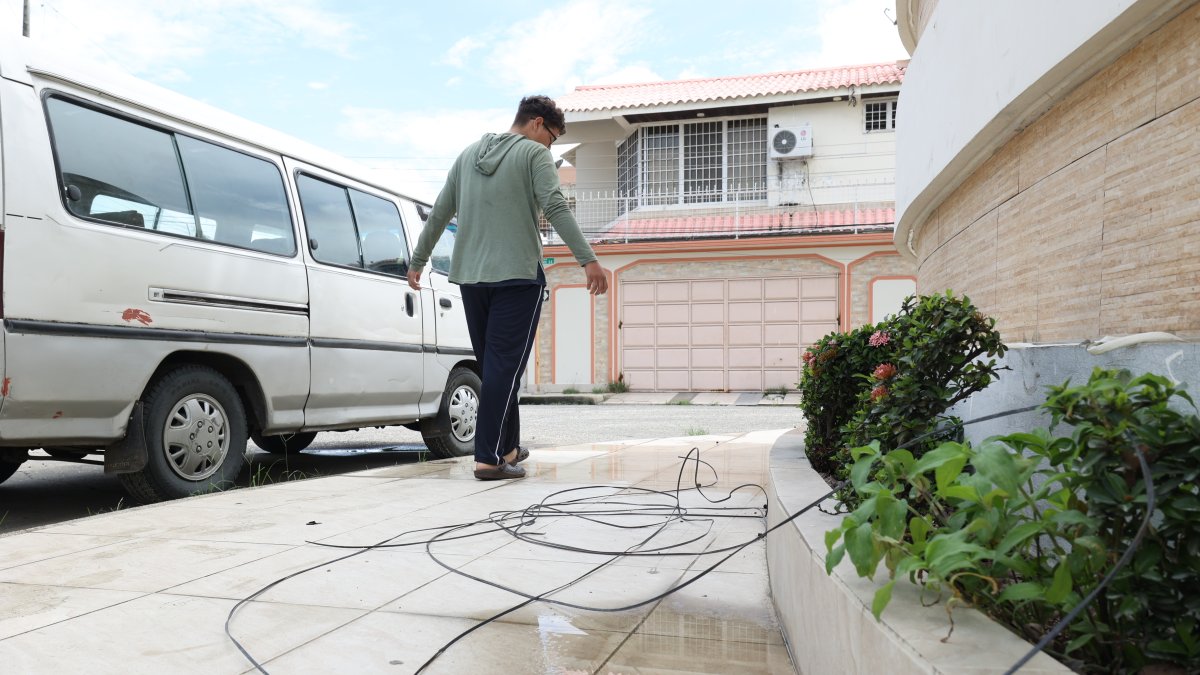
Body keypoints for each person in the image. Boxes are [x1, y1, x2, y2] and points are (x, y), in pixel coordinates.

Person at [407, 95, 608, 481]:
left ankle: (509, 447)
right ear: (537, 123)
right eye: (552, 138)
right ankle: (488, 458)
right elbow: (555, 206)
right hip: (517, 277)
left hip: (471, 278)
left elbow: (440, 211)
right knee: (504, 368)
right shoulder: (534, 155)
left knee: (497, 368)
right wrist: (588, 259)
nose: (550, 147)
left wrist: (418, 261)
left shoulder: (467, 156)